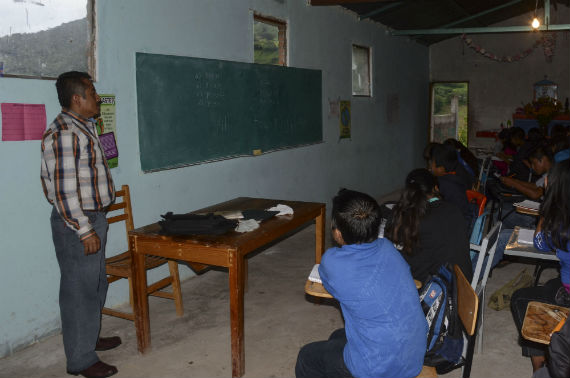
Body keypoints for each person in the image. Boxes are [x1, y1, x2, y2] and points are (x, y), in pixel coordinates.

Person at [295, 189, 427, 378]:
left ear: (338, 234)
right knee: (338, 336)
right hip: (412, 355)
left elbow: (329, 281)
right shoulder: (388, 248)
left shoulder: (333, 262)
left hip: (379, 367)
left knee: (307, 357)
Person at [41, 71, 119, 378]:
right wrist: (84, 229)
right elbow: (64, 191)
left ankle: (88, 339)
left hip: (92, 217)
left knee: (96, 284)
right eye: (92, 92)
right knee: (78, 292)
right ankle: (81, 359)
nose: (98, 98)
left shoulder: (82, 127)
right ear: (77, 98)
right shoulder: (65, 134)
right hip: (77, 223)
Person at [510, 160, 570, 374]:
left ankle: (540, 365)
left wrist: (546, 209)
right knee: (547, 287)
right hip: (564, 285)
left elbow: (539, 242)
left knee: (521, 299)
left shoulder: (562, 225)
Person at [385, 168, 473, 283]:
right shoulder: (453, 209)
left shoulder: (413, 219)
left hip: (437, 291)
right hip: (463, 282)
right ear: (435, 188)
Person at [429, 143, 473, 225]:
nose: (430, 167)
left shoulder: (444, 184)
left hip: (456, 224)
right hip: (464, 218)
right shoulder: (458, 173)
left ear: (441, 168)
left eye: (432, 164)